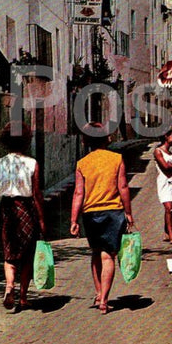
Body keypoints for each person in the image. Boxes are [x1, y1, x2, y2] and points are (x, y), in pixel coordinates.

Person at [70, 122, 134, 314]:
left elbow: (78, 193)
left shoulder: (82, 163)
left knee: (96, 253)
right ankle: (105, 299)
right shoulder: (116, 159)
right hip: (113, 213)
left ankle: (98, 293)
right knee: (108, 256)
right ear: (107, 138)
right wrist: (128, 212)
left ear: (86, 141)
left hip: (90, 214)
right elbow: (123, 187)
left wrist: (73, 220)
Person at [0, 122, 46, 311]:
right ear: (26, 141)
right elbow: (37, 195)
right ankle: (23, 297)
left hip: (7, 209)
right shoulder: (32, 164)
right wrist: (41, 220)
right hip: (26, 208)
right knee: (27, 255)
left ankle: (10, 286)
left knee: (9, 252)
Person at [154, 129, 172, 244]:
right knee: (168, 207)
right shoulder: (158, 151)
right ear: (166, 136)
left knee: (171, 207)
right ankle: (171, 235)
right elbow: (165, 167)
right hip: (164, 182)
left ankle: (167, 232)